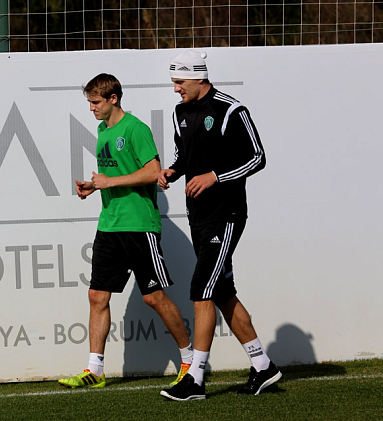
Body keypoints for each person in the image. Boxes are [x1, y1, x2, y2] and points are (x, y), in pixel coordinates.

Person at [158, 50, 281, 401]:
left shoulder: (231, 110)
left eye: (180, 82)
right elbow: (185, 156)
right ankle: (263, 366)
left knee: (202, 290)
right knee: (223, 292)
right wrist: (173, 171)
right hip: (197, 214)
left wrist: (214, 176)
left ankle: (195, 378)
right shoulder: (180, 112)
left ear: (199, 77)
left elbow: (257, 157)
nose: (176, 89)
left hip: (226, 214)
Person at [58, 73, 193, 389]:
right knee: (97, 295)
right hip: (110, 224)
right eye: (89, 102)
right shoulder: (102, 131)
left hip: (139, 226)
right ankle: (95, 370)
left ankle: (190, 360)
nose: (91, 108)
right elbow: (115, 175)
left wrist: (110, 182)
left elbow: (153, 172)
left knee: (153, 298)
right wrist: (94, 186)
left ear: (113, 98)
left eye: (95, 102)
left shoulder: (135, 129)